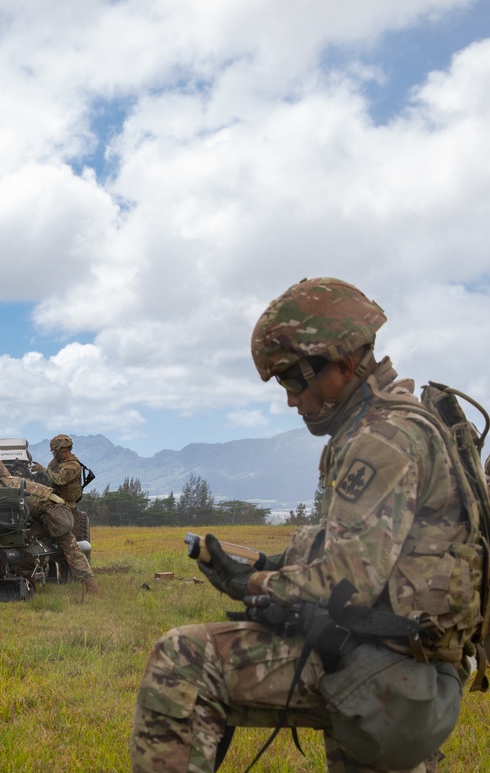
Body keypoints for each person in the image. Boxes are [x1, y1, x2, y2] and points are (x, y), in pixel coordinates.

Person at [131, 278, 485, 772]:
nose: (291, 400)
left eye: (294, 381)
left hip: (387, 664)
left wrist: (254, 582)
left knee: (184, 658)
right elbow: (372, 547)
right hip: (400, 656)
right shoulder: (398, 423)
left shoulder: (379, 439)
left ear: (341, 365)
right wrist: (272, 563)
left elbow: (349, 580)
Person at [0, 468, 99, 594]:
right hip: (45, 514)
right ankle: (29, 585)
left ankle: (91, 587)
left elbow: (22, 511)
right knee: (30, 549)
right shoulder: (9, 482)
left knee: (70, 551)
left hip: (52, 516)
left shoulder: (5, 491)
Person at [32, 433, 91, 541]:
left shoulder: (73, 465)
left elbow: (60, 480)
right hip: (52, 501)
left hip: (65, 505)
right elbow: (49, 477)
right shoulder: (56, 462)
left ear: (63, 450)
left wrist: (43, 470)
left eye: (55, 451)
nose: (54, 454)